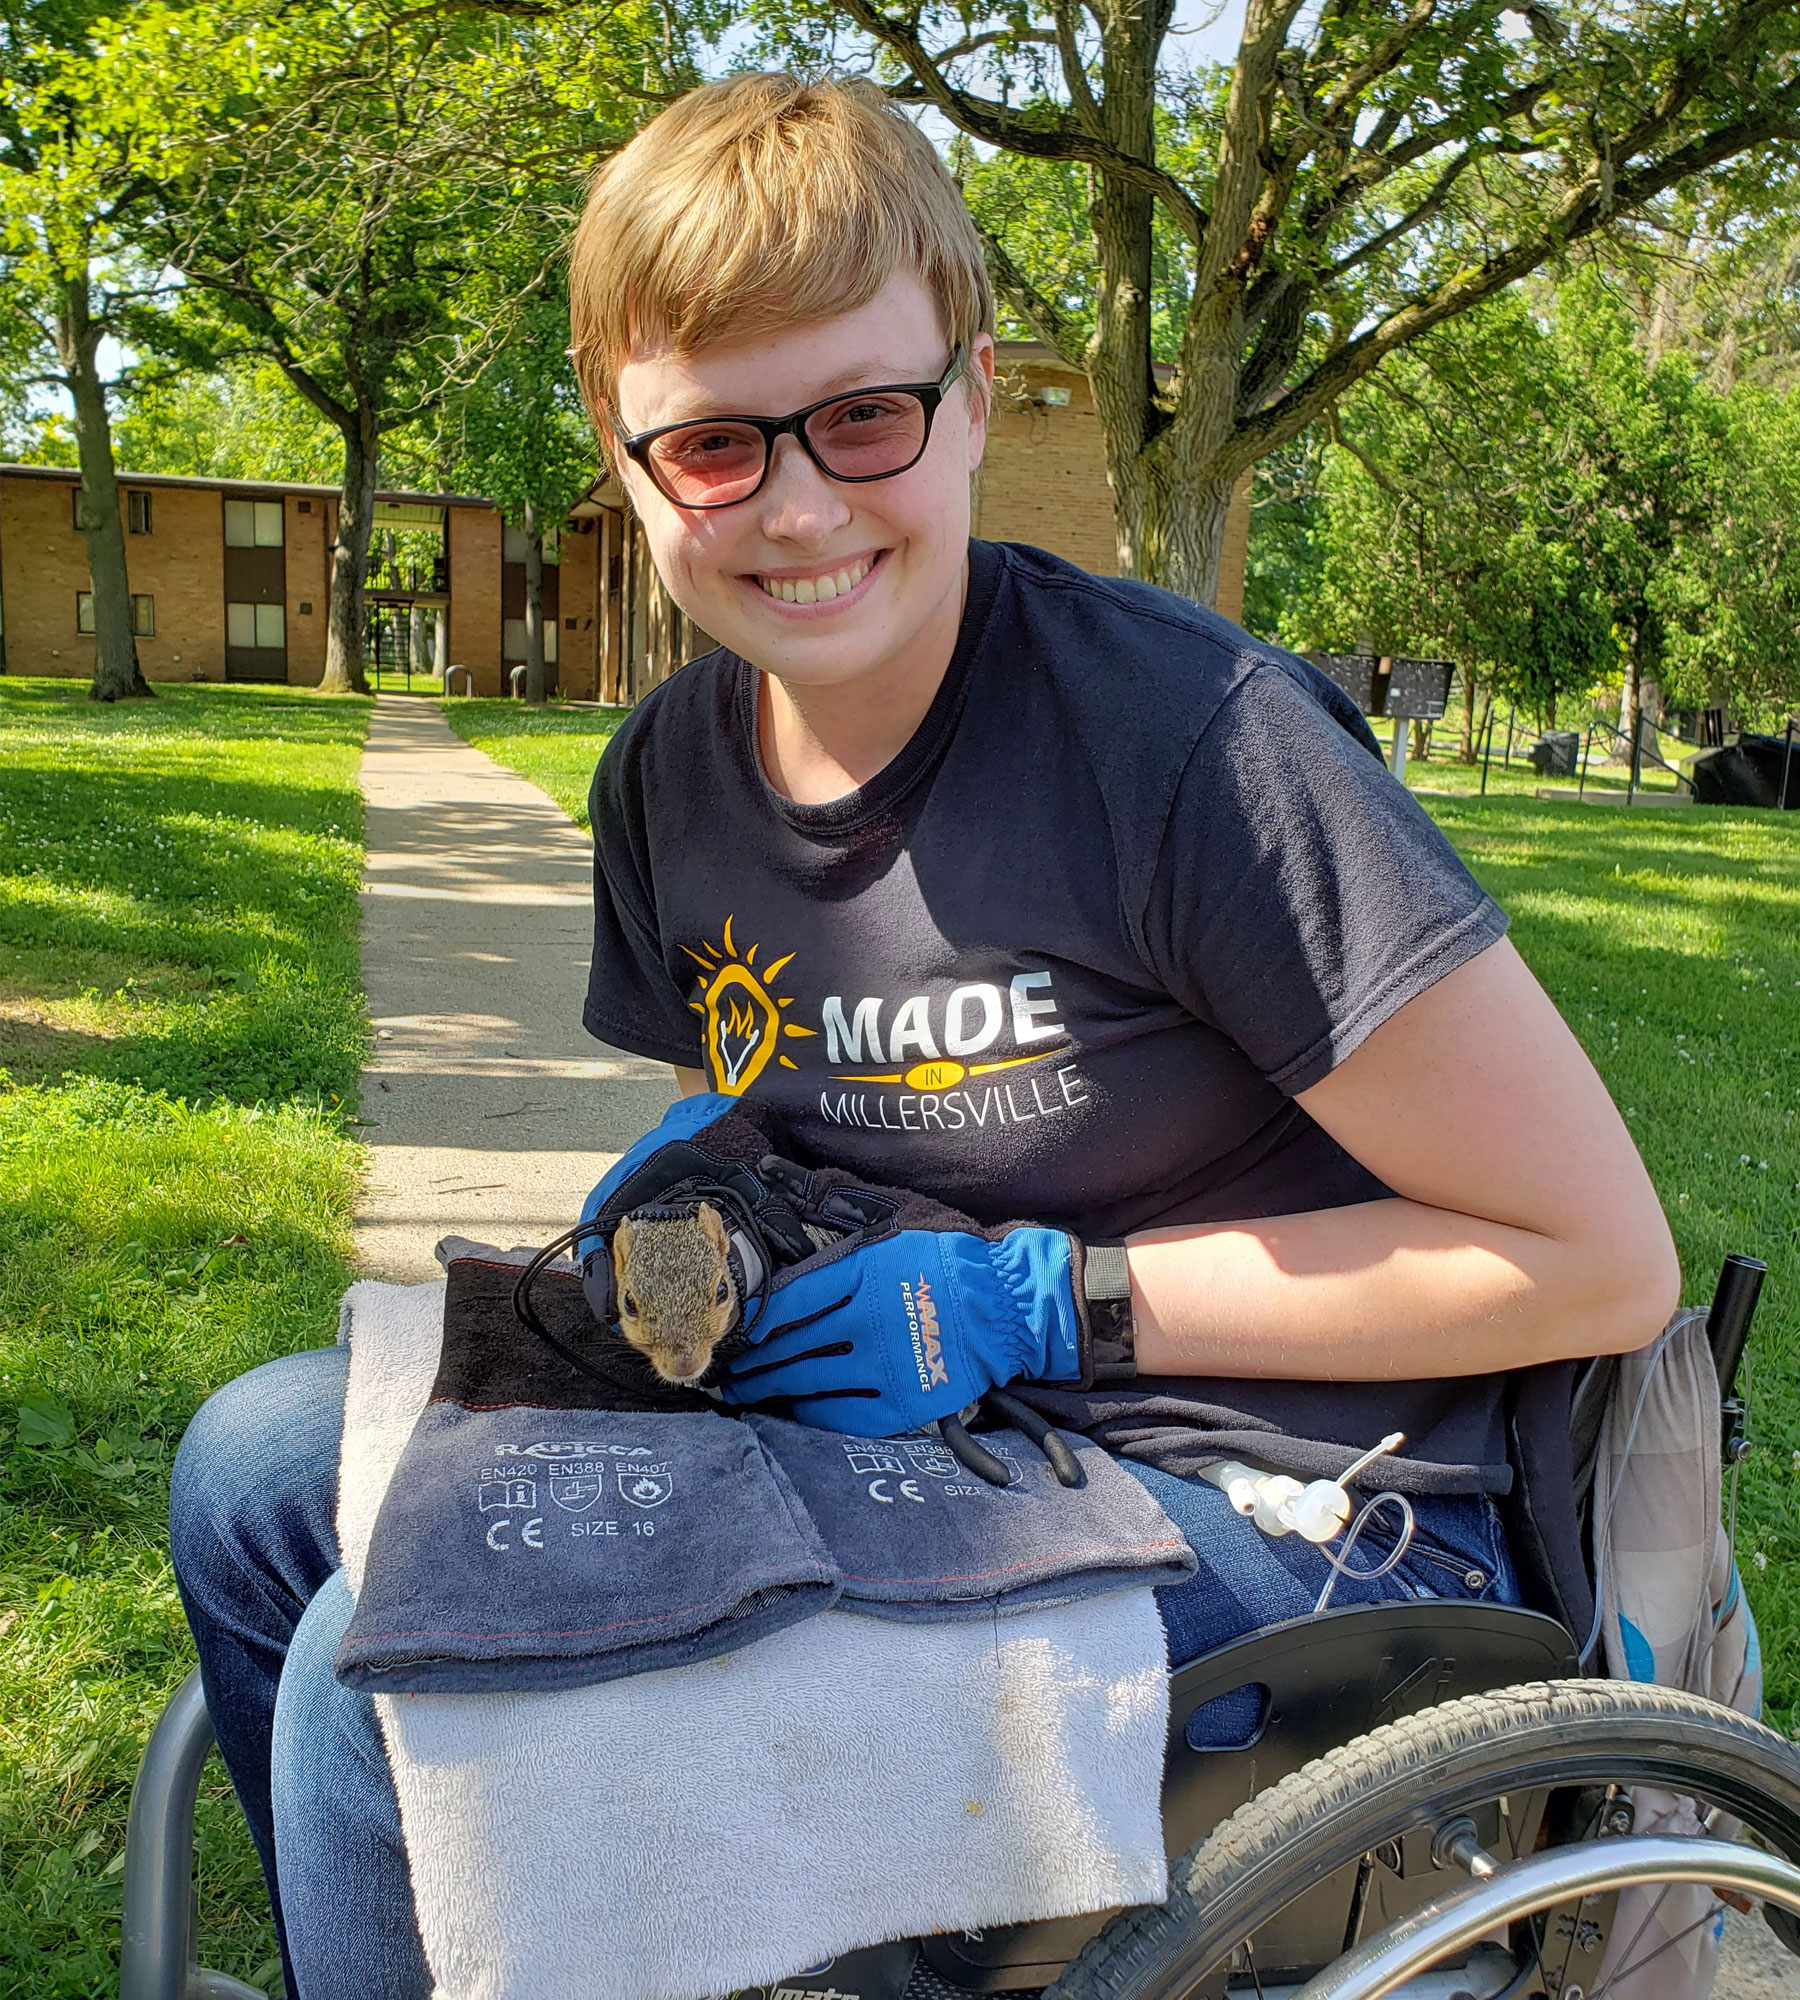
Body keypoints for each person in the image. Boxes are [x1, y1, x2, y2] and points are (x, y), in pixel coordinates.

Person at [168, 73, 1679, 1999]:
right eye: (714, 445)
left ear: (970, 395)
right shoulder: (671, 778)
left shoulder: (1196, 749)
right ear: (623, 464)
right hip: (920, 1452)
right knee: (250, 1473)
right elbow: (762, 1091)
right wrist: (684, 1210)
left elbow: (1594, 1263)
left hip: (1288, 1524)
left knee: (384, 1688)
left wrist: (1053, 1299)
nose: (798, 506)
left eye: (865, 415)